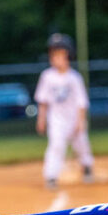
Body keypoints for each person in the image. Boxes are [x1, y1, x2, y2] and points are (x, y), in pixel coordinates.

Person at [34, 33, 94, 191]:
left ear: (68, 55)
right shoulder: (47, 76)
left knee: (82, 145)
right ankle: (51, 176)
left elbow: (81, 102)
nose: (56, 58)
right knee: (56, 146)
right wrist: (41, 119)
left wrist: (81, 121)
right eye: (53, 54)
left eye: (60, 54)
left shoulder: (74, 78)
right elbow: (43, 101)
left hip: (74, 118)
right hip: (56, 120)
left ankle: (87, 167)